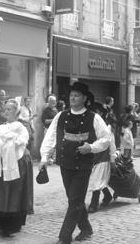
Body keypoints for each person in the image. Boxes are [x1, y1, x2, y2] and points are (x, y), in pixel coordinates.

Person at [40, 82, 110, 244]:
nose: (72, 98)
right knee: (74, 200)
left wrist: (91, 147)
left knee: (75, 201)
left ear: (85, 98)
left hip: (83, 166)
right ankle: (86, 228)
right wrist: (44, 158)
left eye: (76, 95)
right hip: (65, 164)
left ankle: (64, 237)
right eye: (71, 95)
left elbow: (106, 139)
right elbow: (50, 136)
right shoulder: (61, 116)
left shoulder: (94, 117)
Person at [0, 99, 33, 237]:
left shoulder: (22, 127)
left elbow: (21, 141)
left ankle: (12, 223)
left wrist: (6, 137)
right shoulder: (1, 127)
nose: (6, 112)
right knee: (2, 190)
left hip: (17, 162)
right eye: (4, 109)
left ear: (17, 112)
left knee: (14, 191)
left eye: (9, 109)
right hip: (2, 162)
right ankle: (0, 221)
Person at [87, 102, 114, 213]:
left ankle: (94, 204)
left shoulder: (107, 127)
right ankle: (107, 195)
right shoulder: (89, 126)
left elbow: (112, 144)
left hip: (102, 157)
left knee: (96, 180)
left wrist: (112, 159)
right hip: (92, 157)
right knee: (97, 179)